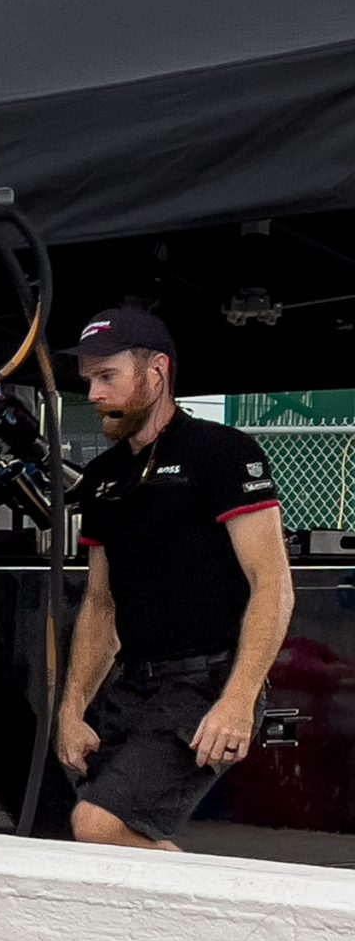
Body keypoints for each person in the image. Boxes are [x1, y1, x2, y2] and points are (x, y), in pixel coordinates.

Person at [57, 308, 293, 850]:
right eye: (88, 380)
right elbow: (100, 606)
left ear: (157, 372)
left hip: (209, 681)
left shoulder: (223, 453)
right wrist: (70, 711)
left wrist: (238, 698)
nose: (92, 394)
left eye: (107, 377)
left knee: (97, 824)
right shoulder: (103, 476)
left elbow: (272, 584)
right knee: (91, 826)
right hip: (136, 683)